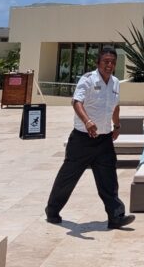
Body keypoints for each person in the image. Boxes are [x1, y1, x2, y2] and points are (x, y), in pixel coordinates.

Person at [45, 46, 135, 228]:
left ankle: (116, 216)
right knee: (67, 178)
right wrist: (87, 122)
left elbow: (115, 106)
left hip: (104, 140)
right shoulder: (87, 80)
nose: (109, 65)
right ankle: (52, 210)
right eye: (106, 62)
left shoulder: (116, 82)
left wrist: (116, 125)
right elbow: (76, 102)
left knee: (109, 179)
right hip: (82, 140)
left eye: (112, 62)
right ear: (98, 63)